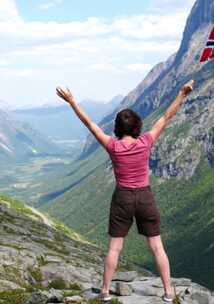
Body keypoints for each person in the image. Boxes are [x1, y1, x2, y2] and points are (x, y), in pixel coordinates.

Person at [56, 80, 194, 303]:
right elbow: (167, 116)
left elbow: (90, 124)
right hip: (144, 195)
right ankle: (169, 293)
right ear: (137, 126)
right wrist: (182, 93)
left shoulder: (112, 146)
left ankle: (105, 292)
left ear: (118, 128)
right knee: (157, 246)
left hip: (122, 197)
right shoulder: (146, 141)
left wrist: (72, 102)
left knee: (114, 248)